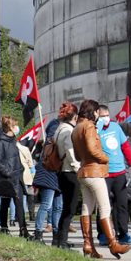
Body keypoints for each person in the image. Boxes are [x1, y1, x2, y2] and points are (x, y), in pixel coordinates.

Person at [71, 99, 129, 259]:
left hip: (83, 171)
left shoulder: (76, 128)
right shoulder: (89, 126)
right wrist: (104, 158)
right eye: (97, 112)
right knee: (105, 207)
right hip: (95, 172)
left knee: (86, 208)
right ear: (93, 111)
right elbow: (91, 148)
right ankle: (113, 243)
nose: (98, 115)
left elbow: (77, 155)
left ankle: (88, 244)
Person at [95, 105, 131, 245]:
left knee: (122, 205)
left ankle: (123, 233)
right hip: (105, 173)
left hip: (119, 172)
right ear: (97, 116)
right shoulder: (94, 130)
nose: (106, 118)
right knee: (104, 205)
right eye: (102, 116)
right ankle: (103, 234)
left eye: (107, 115)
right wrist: (97, 127)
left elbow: (125, 146)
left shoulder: (116, 127)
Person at [0, 117, 29, 237]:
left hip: (16, 176)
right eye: (15, 125)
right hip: (7, 177)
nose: (17, 127)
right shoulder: (1, 142)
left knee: (19, 204)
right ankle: (4, 228)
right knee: (5, 203)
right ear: (10, 127)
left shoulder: (12, 140)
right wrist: (8, 172)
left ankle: (23, 230)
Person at [53, 102, 80, 249]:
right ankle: (62, 241)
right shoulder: (68, 131)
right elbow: (70, 152)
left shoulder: (58, 129)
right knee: (70, 208)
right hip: (70, 171)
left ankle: (60, 239)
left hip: (61, 171)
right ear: (75, 116)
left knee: (66, 207)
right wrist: (78, 168)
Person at [32, 119, 62, 244]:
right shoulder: (49, 145)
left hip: (58, 176)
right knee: (46, 205)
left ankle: (56, 236)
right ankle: (38, 234)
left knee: (58, 207)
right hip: (49, 176)